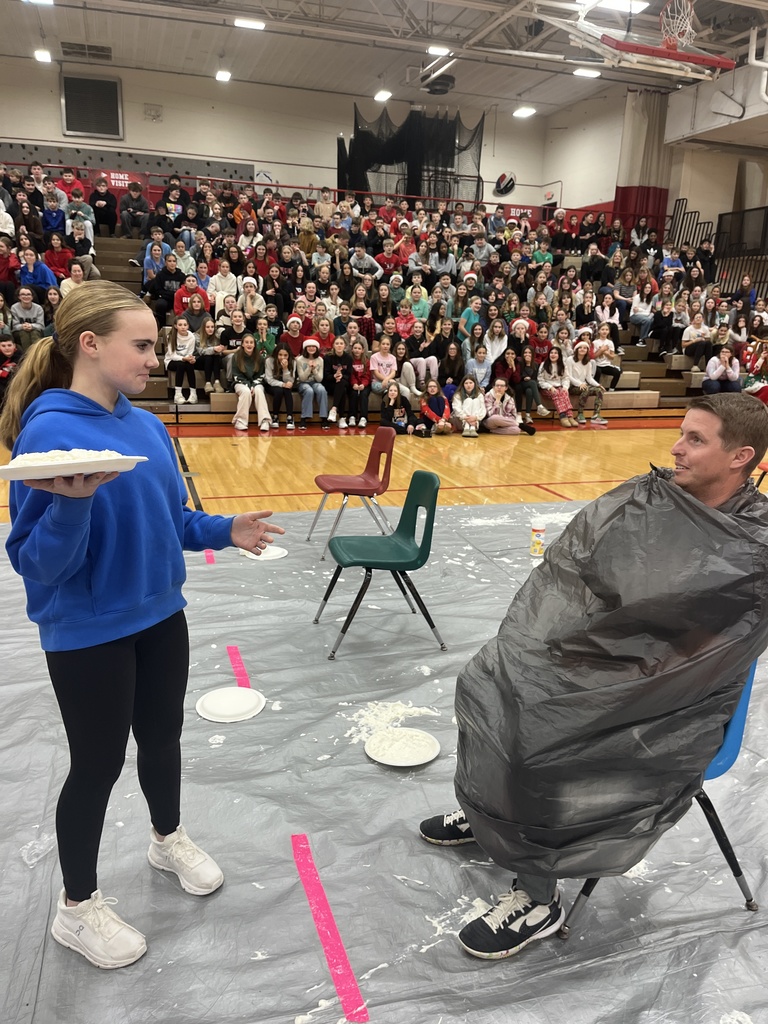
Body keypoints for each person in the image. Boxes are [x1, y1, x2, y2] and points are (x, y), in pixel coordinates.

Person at [418, 392, 768, 961]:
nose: (676, 448)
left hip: (667, 697)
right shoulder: (651, 499)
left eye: (695, 440)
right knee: (487, 685)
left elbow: (709, 653)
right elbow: (579, 576)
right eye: (681, 433)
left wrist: (598, 670)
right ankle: (492, 819)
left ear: (740, 457)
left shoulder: (755, 545)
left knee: (538, 743)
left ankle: (538, 896)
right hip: (603, 659)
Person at [1, 280, 284, 970]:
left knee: (162, 739)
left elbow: (173, 521)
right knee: (96, 765)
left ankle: (166, 837)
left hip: (161, 614)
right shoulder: (49, 430)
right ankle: (78, 909)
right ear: (90, 346)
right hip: (88, 629)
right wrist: (70, 505)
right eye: (143, 344)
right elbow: (35, 562)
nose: (155, 357)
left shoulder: (147, 425)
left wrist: (227, 528)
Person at [232, 333, 271, 432]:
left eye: (251, 342)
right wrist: (248, 386)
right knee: (245, 391)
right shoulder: (236, 357)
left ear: (254, 344)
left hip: (256, 383)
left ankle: (264, 420)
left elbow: (261, 375)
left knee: (259, 391)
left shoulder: (260, 358)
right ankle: (240, 421)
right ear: (242, 344)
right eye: (246, 342)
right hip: (240, 382)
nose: (249, 345)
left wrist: (254, 385)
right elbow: (236, 375)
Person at [566, 338, 608, 425]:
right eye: (580, 347)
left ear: (587, 350)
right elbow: (568, 376)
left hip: (583, 385)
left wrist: (598, 385)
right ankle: (580, 414)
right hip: (572, 386)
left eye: (584, 348)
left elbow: (589, 378)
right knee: (586, 389)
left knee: (599, 390)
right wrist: (579, 384)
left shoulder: (588, 363)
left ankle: (596, 415)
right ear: (576, 349)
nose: (582, 349)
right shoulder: (570, 360)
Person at [164, 315, 200, 405]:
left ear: (188, 326)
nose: (183, 327)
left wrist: (190, 358)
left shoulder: (191, 337)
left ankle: (193, 394)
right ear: (176, 326)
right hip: (171, 361)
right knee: (181, 364)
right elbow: (172, 355)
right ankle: (178, 394)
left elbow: (190, 352)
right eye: (180, 325)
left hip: (185, 360)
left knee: (189, 364)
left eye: (185, 325)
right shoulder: (171, 336)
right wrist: (184, 358)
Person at [538, 346, 576, 427]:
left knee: (564, 393)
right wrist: (550, 387)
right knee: (556, 393)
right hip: (546, 387)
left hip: (559, 386)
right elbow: (540, 380)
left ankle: (570, 416)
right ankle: (563, 416)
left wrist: (565, 387)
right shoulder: (543, 365)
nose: (553, 355)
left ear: (559, 355)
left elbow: (566, 378)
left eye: (555, 353)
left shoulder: (562, 365)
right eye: (551, 353)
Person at [295, 337, 328, 429]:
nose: (311, 348)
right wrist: (309, 368)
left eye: (313, 346)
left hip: (315, 382)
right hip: (303, 383)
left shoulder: (320, 360)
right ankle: (304, 418)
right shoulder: (300, 360)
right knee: (309, 391)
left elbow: (320, 379)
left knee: (321, 389)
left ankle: (324, 418)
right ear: (305, 348)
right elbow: (301, 378)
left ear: (317, 348)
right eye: (309, 346)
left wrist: (314, 370)